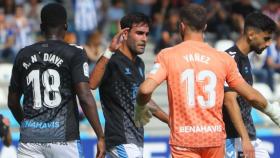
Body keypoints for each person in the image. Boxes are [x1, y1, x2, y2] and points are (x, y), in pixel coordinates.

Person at [134, 4, 280, 158]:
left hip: (185, 140)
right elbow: (249, 95)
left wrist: (140, 107)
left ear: (182, 26)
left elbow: (145, 90)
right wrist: (273, 111)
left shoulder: (168, 55)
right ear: (205, 27)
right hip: (214, 139)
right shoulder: (222, 58)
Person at [7, 3, 105, 158]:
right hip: (65, 140)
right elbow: (85, 97)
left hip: (30, 141)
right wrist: (100, 136)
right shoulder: (75, 53)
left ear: (41, 27)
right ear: (66, 26)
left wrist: (27, 126)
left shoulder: (23, 54)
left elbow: (12, 102)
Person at [89, 12, 169, 157]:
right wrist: (109, 51)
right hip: (120, 138)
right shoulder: (112, 60)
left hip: (136, 139)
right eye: (139, 33)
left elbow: (142, 100)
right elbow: (92, 84)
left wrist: (169, 120)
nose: (144, 39)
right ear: (125, 34)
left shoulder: (139, 64)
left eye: (146, 34)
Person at [223, 12, 277, 158]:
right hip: (234, 139)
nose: (268, 44)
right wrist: (244, 138)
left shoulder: (244, 59)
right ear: (251, 34)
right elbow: (229, 100)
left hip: (247, 138)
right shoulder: (230, 59)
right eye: (266, 38)